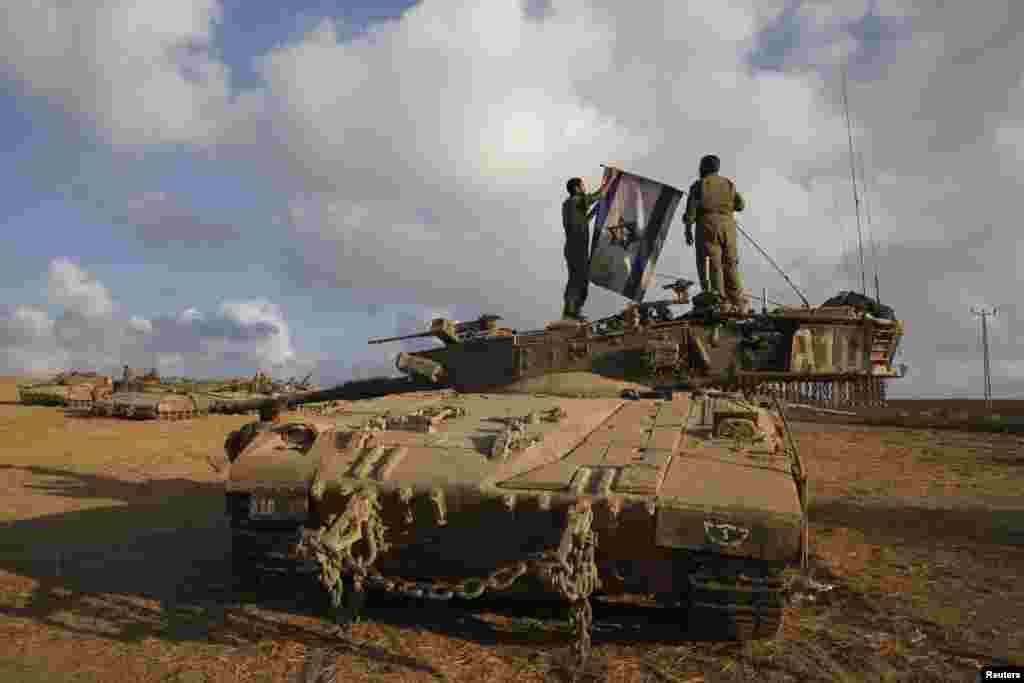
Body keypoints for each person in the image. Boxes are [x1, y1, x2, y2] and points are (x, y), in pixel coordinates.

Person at [682, 155, 747, 312]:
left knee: (712, 264)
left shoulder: (699, 185)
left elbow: (691, 212)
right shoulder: (728, 184)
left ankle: (719, 302)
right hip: (728, 227)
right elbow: (741, 205)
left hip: (707, 225)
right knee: (730, 264)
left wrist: (688, 229)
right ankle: (737, 302)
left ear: (703, 167)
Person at [561, 169, 618, 320]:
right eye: (583, 186)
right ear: (576, 188)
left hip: (575, 248)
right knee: (577, 280)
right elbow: (598, 195)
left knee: (581, 279)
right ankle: (571, 311)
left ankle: (574, 311)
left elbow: (582, 221)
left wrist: (595, 211)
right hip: (576, 248)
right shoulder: (575, 201)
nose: (584, 188)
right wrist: (610, 180)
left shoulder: (570, 205)